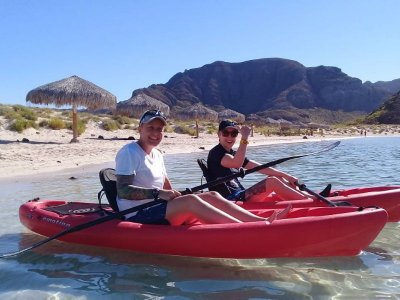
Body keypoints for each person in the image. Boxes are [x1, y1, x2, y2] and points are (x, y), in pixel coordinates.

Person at [115, 110, 283, 226]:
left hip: (156, 207)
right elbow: (123, 190)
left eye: (159, 129)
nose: (155, 133)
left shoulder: (157, 154)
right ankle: (245, 230)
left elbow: (165, 183)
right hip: (137, 214)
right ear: (140, 129)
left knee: (212, 195)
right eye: (150, 128)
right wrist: (158, 194)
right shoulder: (129, 152)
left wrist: (174, 197)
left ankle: (260, 222)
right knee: (191, 200)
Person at [207, 120, 316, 202]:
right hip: (230, 200)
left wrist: (287, 176)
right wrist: (244, 137)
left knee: (276, 177)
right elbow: (237, 163)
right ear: (219, 134)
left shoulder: (232, 153)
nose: (229, 137)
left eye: (234, 134)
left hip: (239, 195)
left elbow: (259, 167)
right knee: (272, 181)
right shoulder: (216, 154)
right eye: (225, 133)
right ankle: (309, 201)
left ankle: (308, 196)